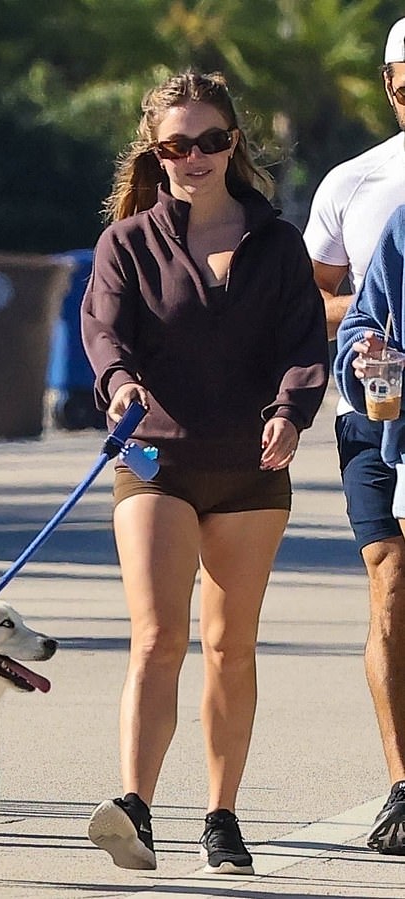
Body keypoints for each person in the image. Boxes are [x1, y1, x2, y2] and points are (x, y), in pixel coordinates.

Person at [80, 68, 329, 875]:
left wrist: (291, 411)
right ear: (156, 152)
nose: (195, 156)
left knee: (231, 646)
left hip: (252, 464)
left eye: (211, 141)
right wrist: (119, 384)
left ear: (234, 145)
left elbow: (303, 345)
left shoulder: (278, 243)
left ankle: (222, 816)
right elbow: (104, 331)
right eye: (177, 144)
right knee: (158, 637)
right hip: (155, 457)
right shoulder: (128, 241)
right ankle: (136, 807)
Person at [303, 17, 405, 854]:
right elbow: (314, 300)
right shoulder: (358, 181)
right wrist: (379, 326)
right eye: (402, 83)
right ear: (386, 84)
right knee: (392, 585)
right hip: (374, 410)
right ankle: (403, 785)